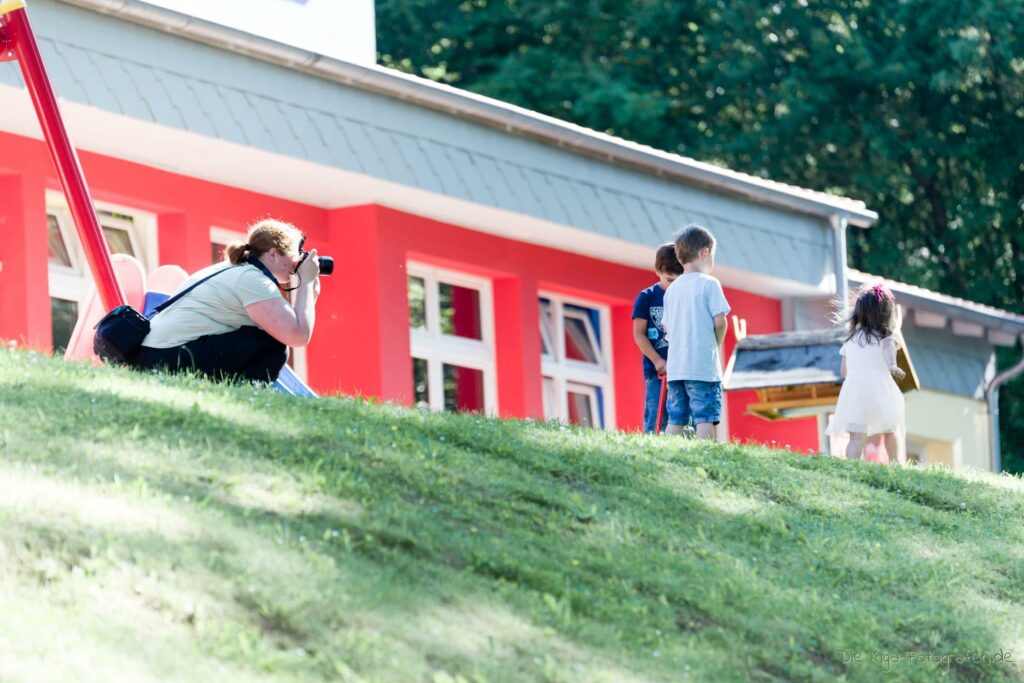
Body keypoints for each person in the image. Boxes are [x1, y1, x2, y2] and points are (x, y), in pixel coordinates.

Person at [132, 218, 320, 383]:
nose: (297, 265)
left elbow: (288, 327)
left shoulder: (234, 268)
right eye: (296, 256)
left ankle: (233, 392)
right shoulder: (252, 279)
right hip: (166, 358)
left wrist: (308, 290)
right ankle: (247, 399)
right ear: (272, 254)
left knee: (263, 336)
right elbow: (297, 335)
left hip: (153, 355)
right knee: (273, 344)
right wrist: (307, 283)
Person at [662, 224, 731, 440]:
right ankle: (706, 453)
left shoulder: (671, 289)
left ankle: (665, 450)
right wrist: (716, 342)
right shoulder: (710, 284)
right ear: (704, 253)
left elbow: (666, 328)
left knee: (676, 418)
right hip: (702, 366)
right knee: (705, 416)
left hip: (676, 367)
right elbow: (720, 322)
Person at [829, 283, 907, 463]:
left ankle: (851, 466)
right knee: (890, 430)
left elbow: (843, 370)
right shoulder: (887, 335)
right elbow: (888, 348)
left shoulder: (852, 339)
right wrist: (892, 365)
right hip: (880, 391)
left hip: (855, 393)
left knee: (856, 438)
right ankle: (895, 464)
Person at [631, 243, 684, 433]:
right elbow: (639, 333)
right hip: (657, 370)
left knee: (683, 417)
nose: (674, 287)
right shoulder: (646, 297)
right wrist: (657, 360)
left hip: (684, 370)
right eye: (670, 280)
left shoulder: (687, 298)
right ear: (658, 271)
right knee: (656, 418)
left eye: (680, 281)